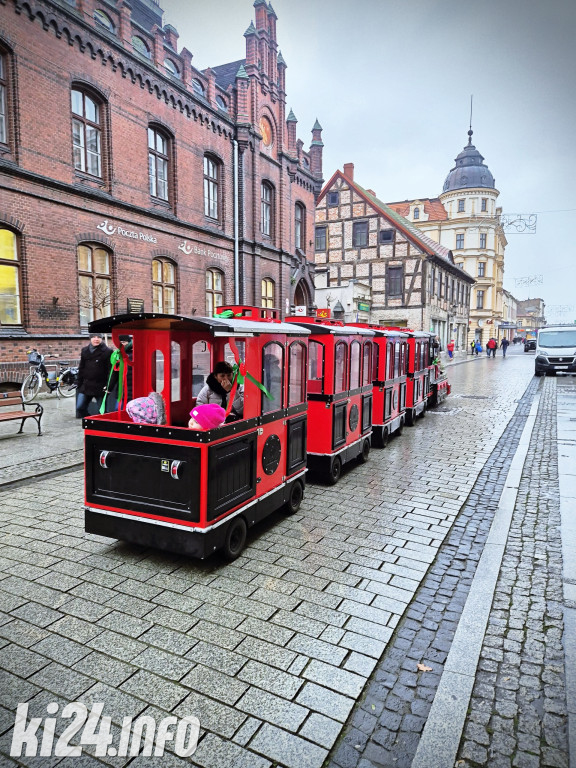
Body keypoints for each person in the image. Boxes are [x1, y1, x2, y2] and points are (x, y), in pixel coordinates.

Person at [76, 332, 113, 418]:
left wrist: (108, 385)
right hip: (86, 385)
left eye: (98, 337)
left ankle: (103, 426)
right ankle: (89, 419)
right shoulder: (85, 350)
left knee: (102, 411)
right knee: (80, 407)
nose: (96, 339)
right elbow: (81, 367)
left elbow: (109, 370)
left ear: (101, 338)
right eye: (94, 337)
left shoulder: (107, 351)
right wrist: (78, 382)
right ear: (90, 338)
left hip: (100, 386)